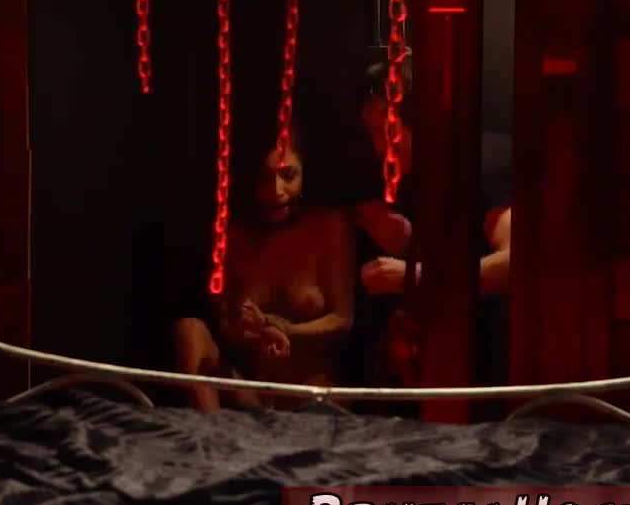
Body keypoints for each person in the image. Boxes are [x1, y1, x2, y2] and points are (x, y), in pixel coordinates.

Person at [348, 53, 513, 416]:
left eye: (384, 130)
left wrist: (415, 276)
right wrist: (409, 244)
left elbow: (512, 263)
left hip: (490, 369)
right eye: (371, 133)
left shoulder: (482, 159)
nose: (379, 148)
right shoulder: (411, 179)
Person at [171, 133, 357, 412]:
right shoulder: (234, 234)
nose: (276, 190)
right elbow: (226, 324)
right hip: (254, 394)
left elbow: (342, 319)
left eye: (288, 175)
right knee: (189, 330)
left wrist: (284, 329)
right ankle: (209, 432)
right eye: (264, 178)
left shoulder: (329, 226)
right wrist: (254, 331)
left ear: (305, 173)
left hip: (310, 395)